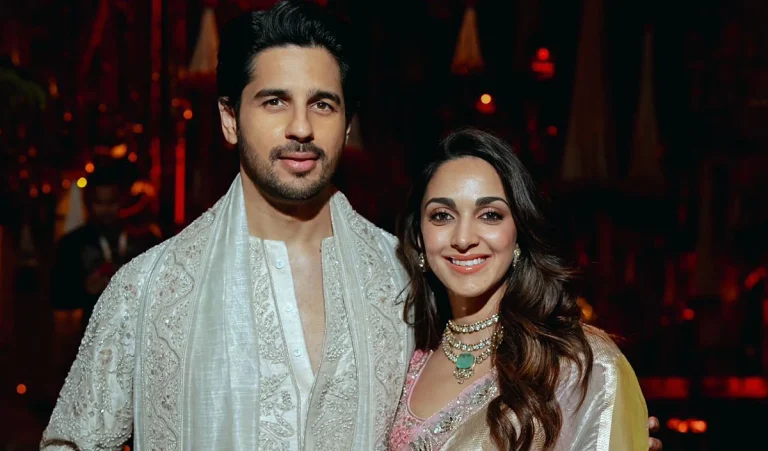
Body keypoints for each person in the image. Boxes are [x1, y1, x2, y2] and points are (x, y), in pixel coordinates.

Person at [42, 2, 662, 450]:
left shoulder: (407, 276)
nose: (301, 128)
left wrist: (602, 422)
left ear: (346, 124)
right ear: (230, 119)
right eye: (274, 101)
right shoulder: (149, 289)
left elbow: (485, 392)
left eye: (323, 104)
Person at [391, 128, 651, 450]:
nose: (463, 238)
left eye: (490, 215)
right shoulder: (400, 360)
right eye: (442, 216)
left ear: (519, 232)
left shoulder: (579, 365)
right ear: (419, 237)